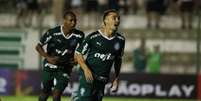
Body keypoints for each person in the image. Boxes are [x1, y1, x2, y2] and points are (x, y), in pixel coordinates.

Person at [72, 9, 125, 101]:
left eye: (118, 18)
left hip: (102, 79)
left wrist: (116, 78)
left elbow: (118, 59)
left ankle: (76, 98)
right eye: (114, 18)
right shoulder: (93, 37)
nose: (117, 20)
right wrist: (85, 69)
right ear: (106, 20)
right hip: (88, 75)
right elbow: (78, 53)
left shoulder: (120, 40)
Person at [35, 11, 84, 101]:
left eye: (75, 20)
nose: (73, 23)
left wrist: (77, 60)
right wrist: (48, 57)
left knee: (56, 94)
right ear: (64, 21)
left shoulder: (79, 35)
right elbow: (38, 46)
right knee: (45, 92)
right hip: (50, 66)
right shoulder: (53, 32)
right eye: (71, 20)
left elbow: (81, 51)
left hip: (66, 67)